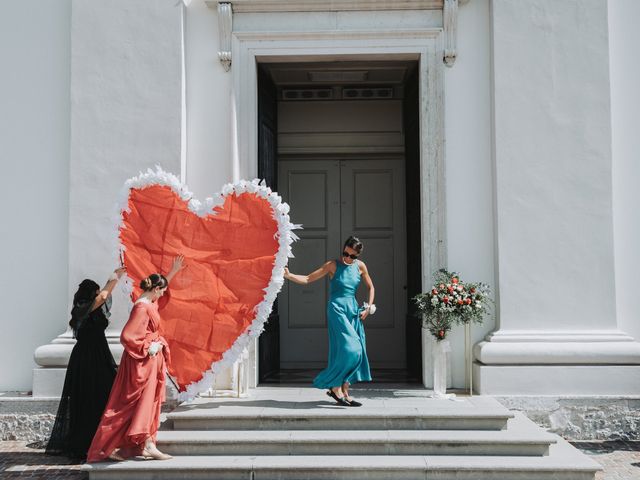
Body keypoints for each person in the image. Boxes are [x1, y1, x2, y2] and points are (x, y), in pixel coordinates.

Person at [87, 255, 185, 462]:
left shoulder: (148, 301)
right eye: (163, 290)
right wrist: (150, 347)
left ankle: (146, 445)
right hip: (142, 362)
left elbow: (157, 295)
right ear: (156, 290)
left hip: (148, 362)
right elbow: (127, 336)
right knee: (134, 403)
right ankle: (134, 445)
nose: (164, 294)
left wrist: (172, 272)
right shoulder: (142, 306)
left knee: (147, 403)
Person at [45, 267, 126, 459]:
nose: (98, 294)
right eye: (95, 291)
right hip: (87, 359)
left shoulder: (93, 309)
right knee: (91, 398)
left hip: (98, 354)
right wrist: (113, 278)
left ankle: (105, 441)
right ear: (90, 294)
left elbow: (103, 298)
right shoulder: (81, 308)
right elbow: (103, 297)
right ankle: (91, 443)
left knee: (105, 395)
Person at [284, 236, 375, 407]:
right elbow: (308, 279)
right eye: (345, 254)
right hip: (337, 310)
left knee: (357, 351)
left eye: (352, 256)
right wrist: (289, 276)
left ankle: (344, 391)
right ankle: (333, 384)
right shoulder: (332, 265)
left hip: (353, 311)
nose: (347, 258)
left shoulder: (360, 266)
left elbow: (371, 287)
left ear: (357, 255)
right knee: (352, 349)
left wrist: (369, 307)